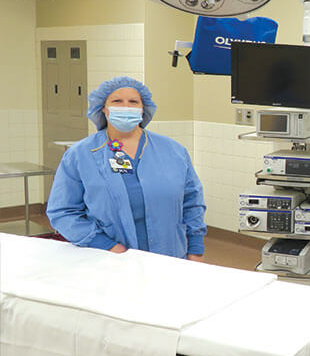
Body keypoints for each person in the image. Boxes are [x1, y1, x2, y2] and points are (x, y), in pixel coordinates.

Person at [47, 76, 206, 261]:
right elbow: (63, 212)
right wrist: (106, 245)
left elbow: (192, 203)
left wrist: (196, 249)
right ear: (103, 108)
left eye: (133, 102)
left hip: (169, 257)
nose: (126, 107)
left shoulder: (173, 151)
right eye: (117, 101)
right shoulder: (81, 155)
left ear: (143, 108)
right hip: (109, 259)